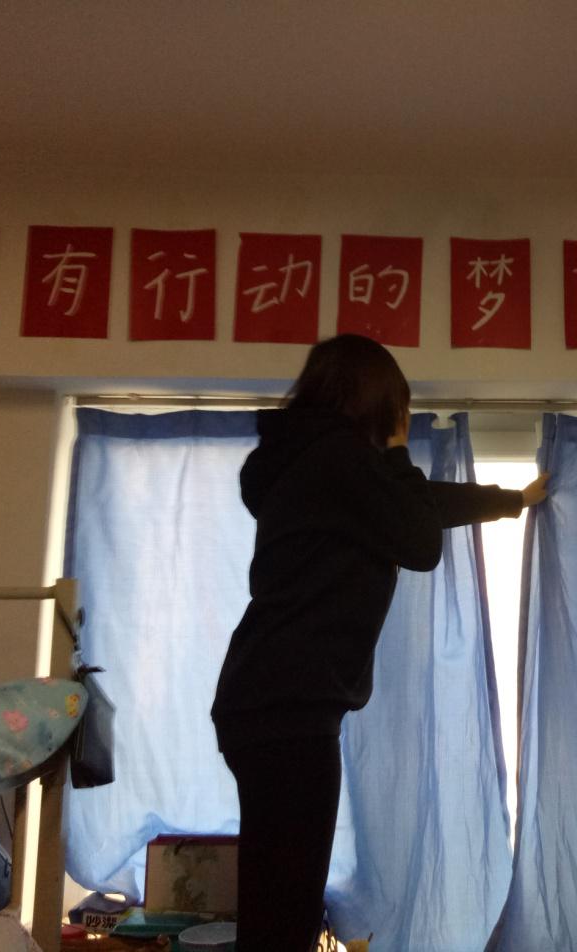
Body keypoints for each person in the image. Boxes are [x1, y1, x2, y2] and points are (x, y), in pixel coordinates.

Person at [211, 333, 549, 951]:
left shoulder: (311, 461)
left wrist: (511, 501)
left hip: (263, 701)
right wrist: (397, 450)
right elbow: (418, 540)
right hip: (289, 709)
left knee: (275, 895)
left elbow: (413, 505)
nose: (404, 421)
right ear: (378, 401)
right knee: (287, 903)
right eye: (401, 409)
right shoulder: (340, 458)